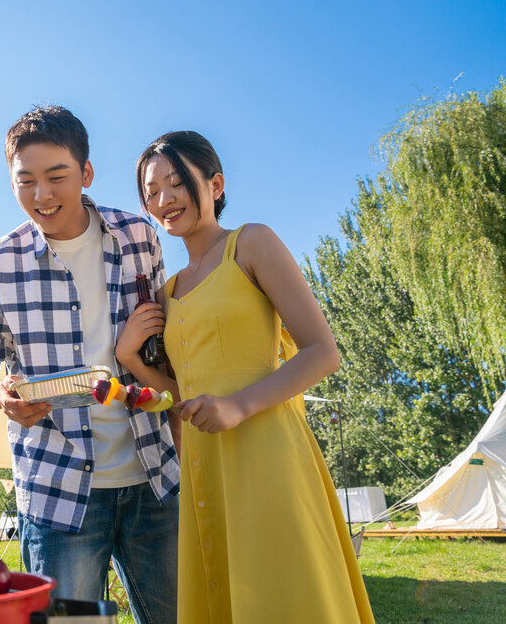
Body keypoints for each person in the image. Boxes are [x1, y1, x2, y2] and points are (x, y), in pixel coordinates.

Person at [119, 130, 374, 622]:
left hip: (267, 450)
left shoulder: (251, 243)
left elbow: (323, 352)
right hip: (204, 461)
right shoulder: (168, 291)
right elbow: (188, 398)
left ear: (214, 184)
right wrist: (134, 362)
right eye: (151, 192)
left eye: (175, 183)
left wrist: (238, 406)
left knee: (283, 590)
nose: (164, 200)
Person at [0, 106, 181, 623]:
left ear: (86, 173)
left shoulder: (139, 238)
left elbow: (165, 344)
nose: (42, 195)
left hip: (154, 477)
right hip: (57, 491)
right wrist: (1, 396)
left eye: (56, 177)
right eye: (25, 181)